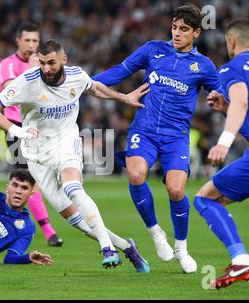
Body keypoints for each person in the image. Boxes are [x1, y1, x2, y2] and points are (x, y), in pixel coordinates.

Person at [0, 39, 151, 271]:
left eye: (51, 63)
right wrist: (17, 130)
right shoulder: (26, 83)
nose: (46, 68)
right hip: (36, 157)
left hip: (66, 144)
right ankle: (127, 247)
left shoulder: (76, 76)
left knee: (74, 188)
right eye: (41, 63)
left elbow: (94, 88)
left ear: (64, 60)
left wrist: (123, 97)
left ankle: (107, 248)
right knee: (81, 224)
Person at [92, 4, 221, 273]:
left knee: (176, 190)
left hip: (176, 138)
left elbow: (223, 94)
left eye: (184, 29)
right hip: (145, 130)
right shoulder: (152, 49)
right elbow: (120, 71)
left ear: (196, 32)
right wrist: (84, 82)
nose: (177, 33)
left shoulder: (204, 66)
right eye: (174, 27)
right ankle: (155, 233)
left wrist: (224, 101)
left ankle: (182, 248)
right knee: (136, 175)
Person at [193, 18, 249, 289]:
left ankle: (241, 260)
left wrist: (224, 141)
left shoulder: (231, 68)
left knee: (205, 199)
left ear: (230, 42)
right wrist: (225, 108)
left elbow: (242, 101)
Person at [0, 22, 63, 247]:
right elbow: (10, 91)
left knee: (45, 177)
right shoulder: (8, 64)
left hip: (43, 128)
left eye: (35, 41)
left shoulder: (44, 64)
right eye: (28, 40)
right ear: (18, 40)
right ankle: (48, 232)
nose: (32, 45)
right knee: (27, 179)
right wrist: (34, 69)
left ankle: (8, 221)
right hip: (17, 128)